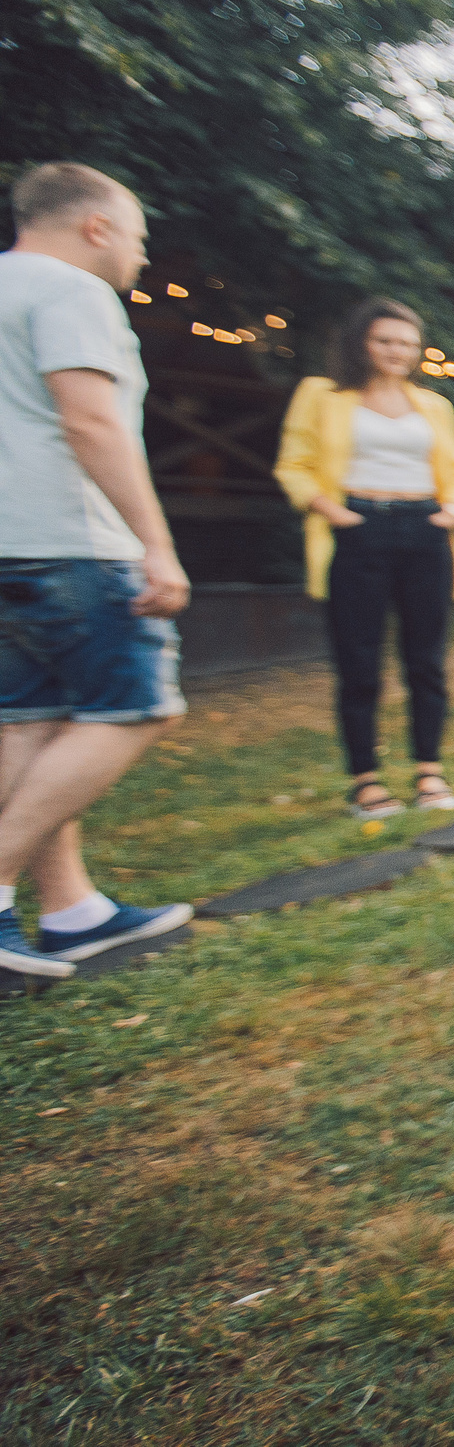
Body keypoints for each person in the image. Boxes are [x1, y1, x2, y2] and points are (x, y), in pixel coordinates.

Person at [0, 163, 194, 979]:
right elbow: (90, 419)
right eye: (139, 239)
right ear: (96, 228)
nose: (141, 259)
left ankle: (74, 910)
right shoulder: (73, 290)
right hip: (72, 539)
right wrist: (155, 541)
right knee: (137, 705)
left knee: (35, 722)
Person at [274, 299, 454, 819]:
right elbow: (293, 465)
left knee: (426, 661)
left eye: (407, 343)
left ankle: (429, 771)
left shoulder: (433, 406)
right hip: (358, 527)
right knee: (359, 662)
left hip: (425, 531)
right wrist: (332, 512)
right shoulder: (323, 395)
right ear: (362, 341)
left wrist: (451, 510)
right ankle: (366, 780)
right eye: (386, 340)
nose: (397, 352)